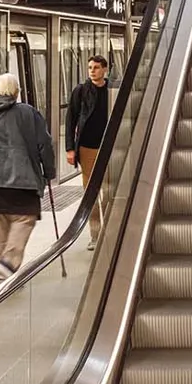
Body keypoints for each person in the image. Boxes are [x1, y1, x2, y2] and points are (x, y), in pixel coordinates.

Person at [0, 73, 55, 276]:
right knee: (24, 218)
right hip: (22, 180)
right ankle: (8, 262)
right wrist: (48, 171)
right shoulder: (28, 113)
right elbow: (44, 144)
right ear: (16, 92)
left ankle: (2, 264)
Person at [65, 55, 112, 248]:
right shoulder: (81, 91)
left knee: (109, 191)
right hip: (87, 148)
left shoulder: (113, 90)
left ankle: (111, 229)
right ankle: (95, 234)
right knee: (90, 192)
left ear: (105, 70)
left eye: (96, 67)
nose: (92, 71)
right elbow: (71, 120)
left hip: (110, 148)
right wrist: (70, 148)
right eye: (90, 67)